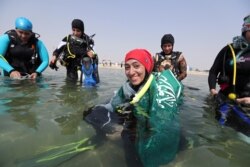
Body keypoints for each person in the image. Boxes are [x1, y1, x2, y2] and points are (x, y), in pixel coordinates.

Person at [84, 49, 183, 167]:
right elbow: (112, 105)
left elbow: (162, 123)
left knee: (129, 138)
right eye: (127, 67)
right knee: (89, 113)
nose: (131, 72)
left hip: (149, 122)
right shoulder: (127, 87)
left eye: (136, 66)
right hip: (132, 115)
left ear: (146, 67)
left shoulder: (158, 88)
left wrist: (131, 131)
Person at [208, 15, 250, 134]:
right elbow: (213, 71)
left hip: (247, 105)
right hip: (225, 101)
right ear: (245, 30)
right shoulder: (228, 50)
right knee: (220, 132)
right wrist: (212, 90)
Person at [49, 19, 98, 83]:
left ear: (82, 31)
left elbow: (94, 53)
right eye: (73, 30)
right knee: (70, 87)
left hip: (84, 69)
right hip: (71, 69)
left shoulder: (88, 40)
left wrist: (91, 54)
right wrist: (54, 56)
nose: (75, 33)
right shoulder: (67, 38)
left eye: (78, 31)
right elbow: (57, 50)